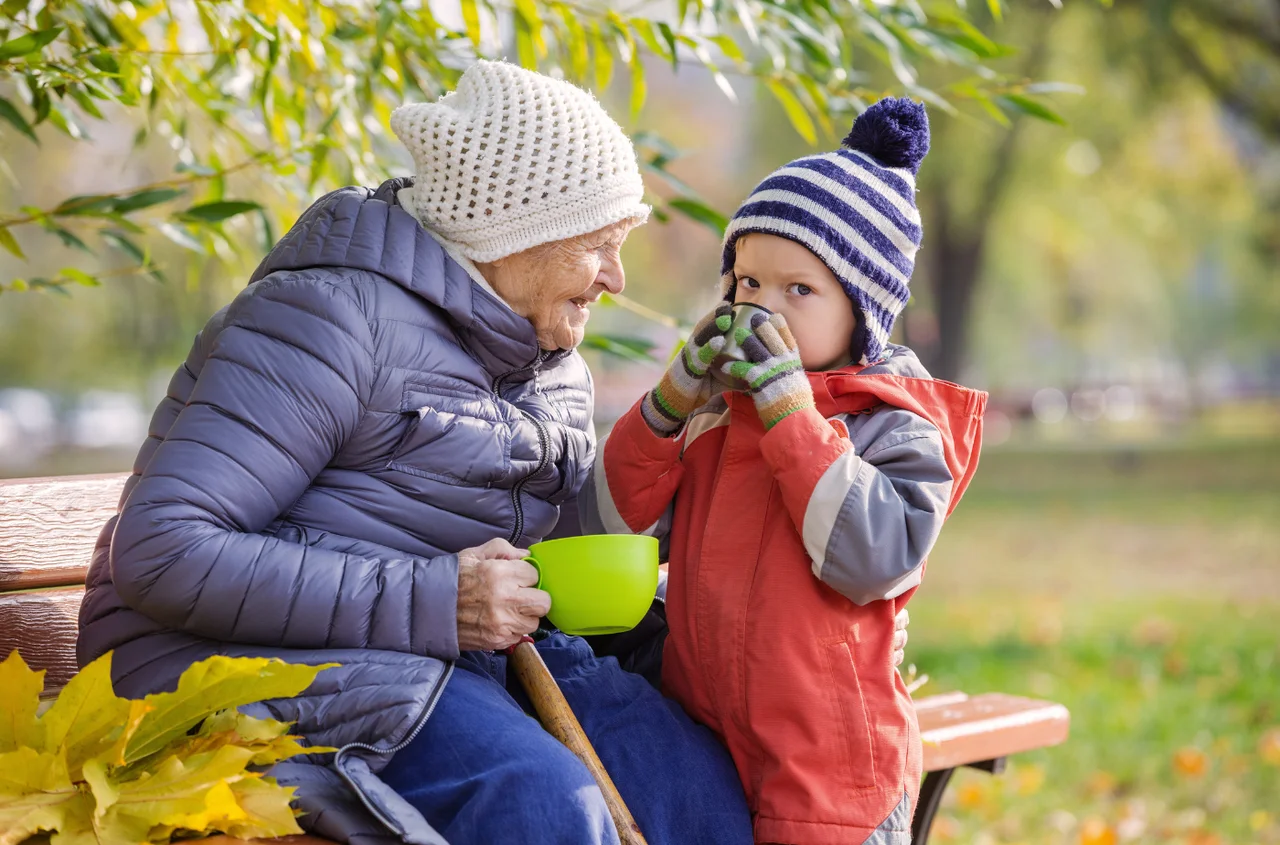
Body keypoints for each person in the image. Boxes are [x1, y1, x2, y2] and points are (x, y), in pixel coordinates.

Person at [77, 61, 763, 845]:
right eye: (599, 245)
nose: (615, 277)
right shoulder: (328, 318)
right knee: (544, 804)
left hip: (439, 653)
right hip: (224, 666)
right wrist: (439, 600)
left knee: (697, 786)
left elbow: (547, 554)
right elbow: (164, 550)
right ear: (516, 229)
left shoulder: (553, 369)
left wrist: (688, 442)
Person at [580, 99, 986, 845]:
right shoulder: (712, 417)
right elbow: (606, 523)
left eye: (798, 289)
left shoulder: (894, 426)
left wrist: (790, 415)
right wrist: (669, 405)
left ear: (862, 312)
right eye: (747, 282)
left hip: (830, 779)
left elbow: (870, 558)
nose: (761, 306)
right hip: (705, 753)